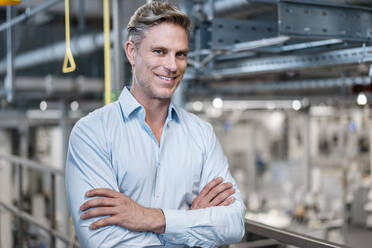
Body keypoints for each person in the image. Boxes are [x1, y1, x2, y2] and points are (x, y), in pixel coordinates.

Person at [65, 2, 245, 247]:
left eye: (180, 54)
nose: (172, 66)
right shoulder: (92, 133)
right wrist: (191, 221)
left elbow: (233, 224)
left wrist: (149, 217)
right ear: (131, 52)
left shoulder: (201, 134)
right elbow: (103, 241)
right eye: (160, 51)